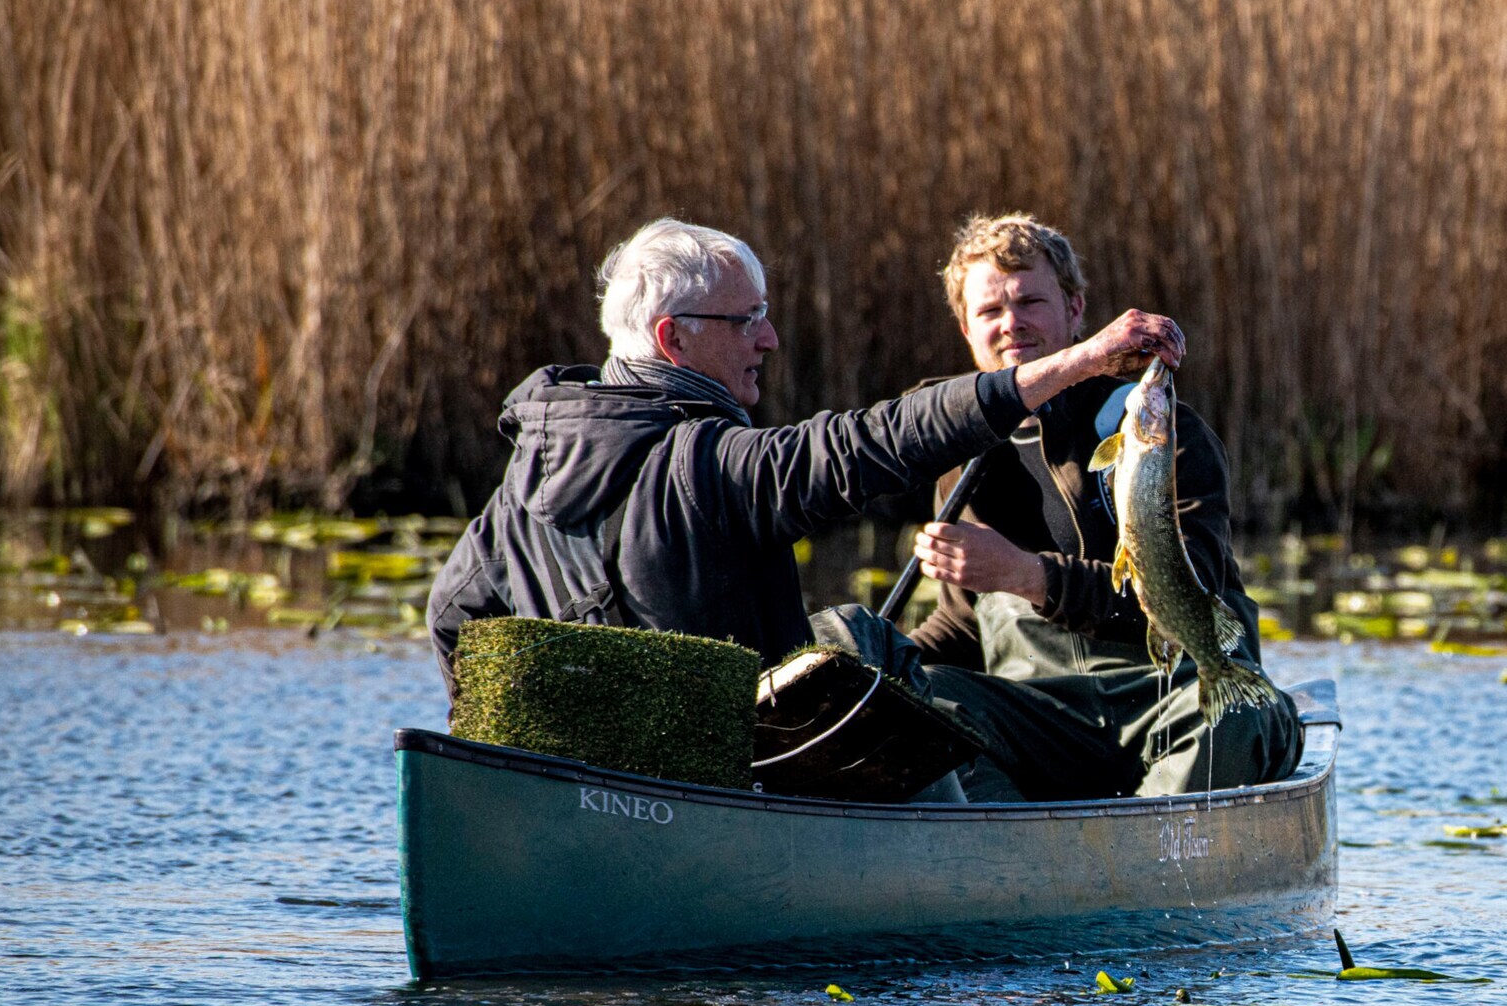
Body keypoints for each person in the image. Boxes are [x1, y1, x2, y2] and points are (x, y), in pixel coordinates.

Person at [425, 217, 1184, 699]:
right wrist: (1081, 360)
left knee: (855, 640)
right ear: (673, 340)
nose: (769, 338)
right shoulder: (710, 465)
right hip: (730, 797)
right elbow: (874, 444)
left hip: (611, 789)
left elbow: (452, 615)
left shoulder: (528, 473)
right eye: (747, 319)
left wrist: (533, 745)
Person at [824, 214, 1301, 801]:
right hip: (1040, 723)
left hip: (1170, 692)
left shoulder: (1153, 428)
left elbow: (1192, 587)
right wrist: (877, 673)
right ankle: (1016, 855)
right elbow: (962, 627)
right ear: (965, 329)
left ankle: (1145, 857)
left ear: (1076, 311)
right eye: (990, 311)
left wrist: (1026, 575)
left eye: (1031, 301)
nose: (1011, 324)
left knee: (1237, 719)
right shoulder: (959, 454)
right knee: (915, 706)